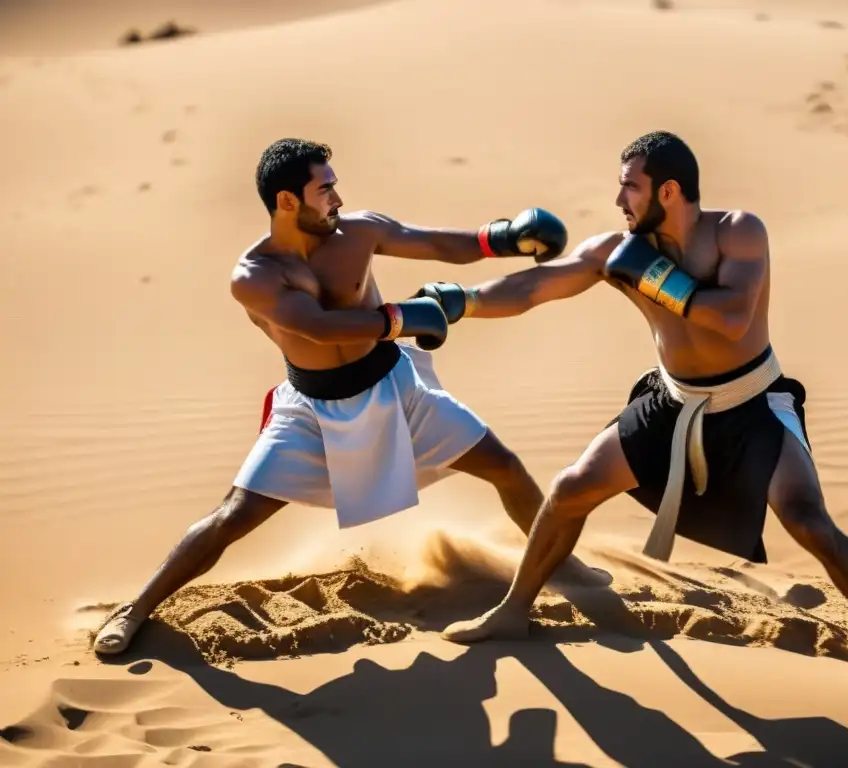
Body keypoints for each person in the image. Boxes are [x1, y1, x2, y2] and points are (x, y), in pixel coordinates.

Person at [412, 130, 848, 700]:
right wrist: (461, 302)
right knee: (571, 488)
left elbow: (731, 319)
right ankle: (513, 611)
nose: (620, 202)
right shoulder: (612, 250)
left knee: (808, 521)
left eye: (630, 188)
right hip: (673, 402)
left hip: (752, 405)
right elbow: (535, 288)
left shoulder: (737, 232)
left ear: (668, 191)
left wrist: (650, 276)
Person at [92, 137, 607, 656]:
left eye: (335, 186)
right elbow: (317, 328)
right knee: (232, 517)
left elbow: (432, 243)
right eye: (325, 189)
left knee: (504, 466)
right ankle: (135, 610)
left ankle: (559, 563)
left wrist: (504, 238)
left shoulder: (358, 231)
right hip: (311, 411)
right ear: (287, 202)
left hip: (396, 387)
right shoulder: (255, 277)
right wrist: (401, 318)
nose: (337, 198)